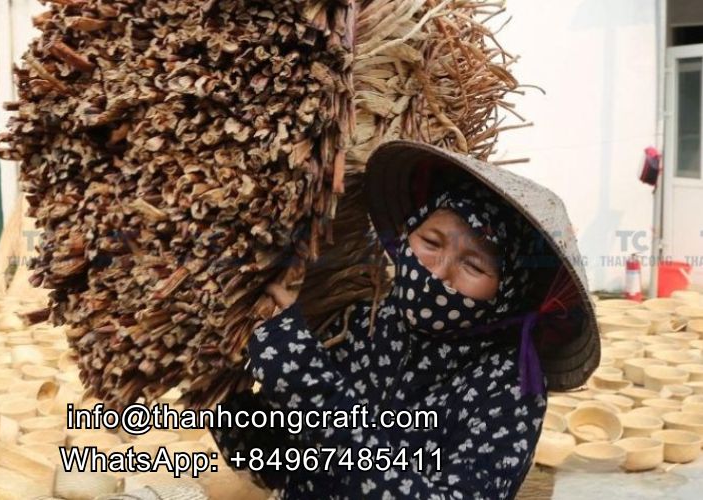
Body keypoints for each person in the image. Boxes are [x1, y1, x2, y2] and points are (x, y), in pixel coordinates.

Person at [211, 140, 599, 500]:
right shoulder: (358, 324)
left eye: (474, 264)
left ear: (506, 292)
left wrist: (312, 390)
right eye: (431, 243)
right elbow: (280, 466)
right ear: (406, 236)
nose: (440, 272)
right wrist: (225, 394)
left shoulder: (508, 384)